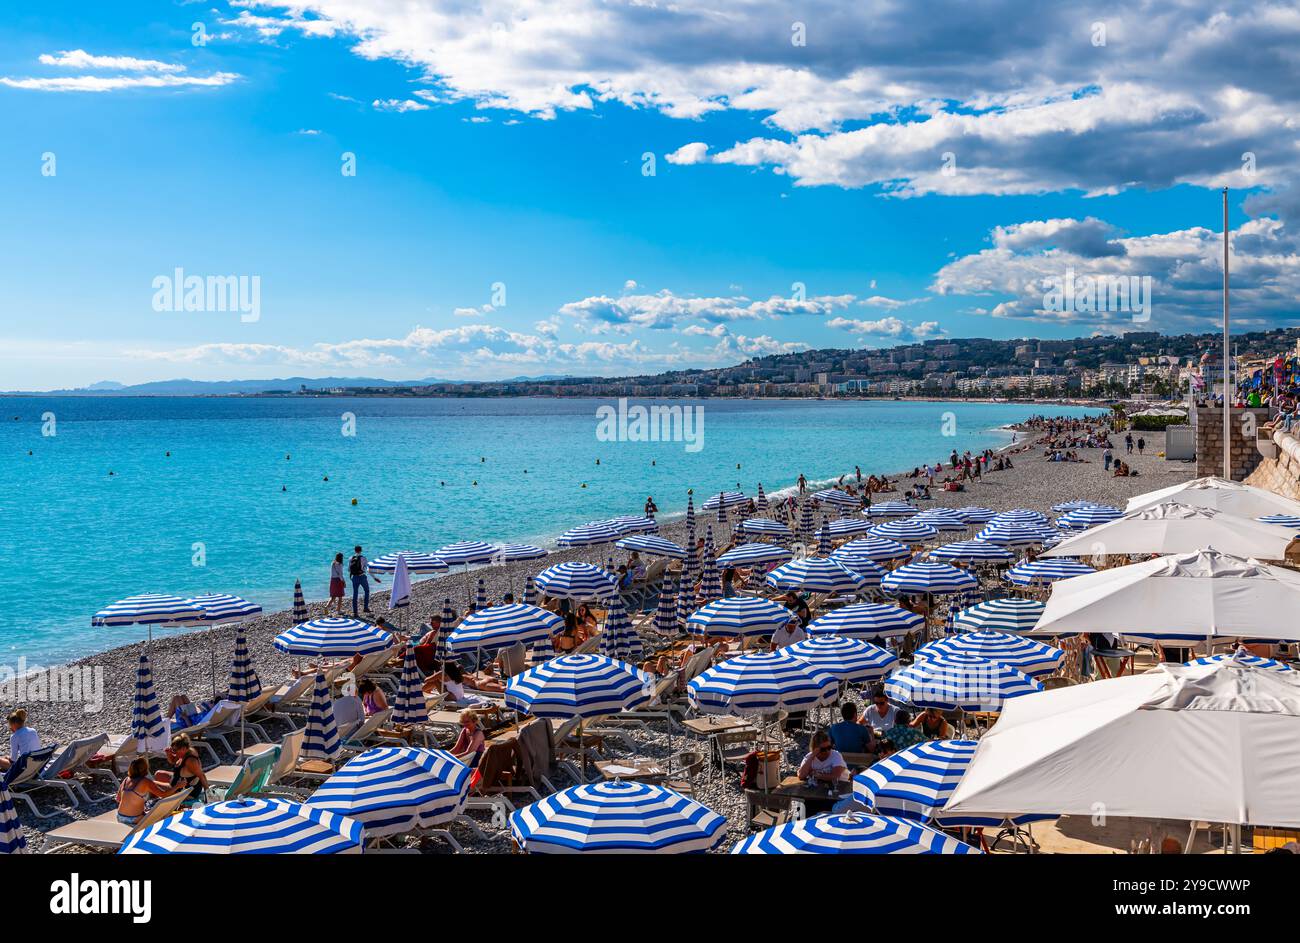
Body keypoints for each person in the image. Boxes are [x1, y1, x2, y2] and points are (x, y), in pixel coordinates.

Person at [115, 757, 171, 826]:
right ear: (145, 768)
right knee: (163, 815)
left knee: (148, 808)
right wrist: (177, 786)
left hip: (120, 817)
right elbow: (164, 794)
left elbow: (118, 799)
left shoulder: (126, 779)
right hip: (135, 819)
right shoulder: (145, 781)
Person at [156, 734, 208, 803]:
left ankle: (154, 803)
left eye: (175, 750)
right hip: (178, 782)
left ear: (183, 748)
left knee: (153, 784)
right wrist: (169, 754)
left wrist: (208, 794)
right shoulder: (183, 753)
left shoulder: (191, 761)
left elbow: (202, 776)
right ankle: (160, 797)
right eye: (173, 749)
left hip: (186, 792)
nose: (174, 752)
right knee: (158, 774)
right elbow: (173, 761)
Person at [349, 545, 380, 617]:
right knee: (367, 591)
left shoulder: (351, 558)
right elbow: (368, 570)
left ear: (354, 550)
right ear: (361, 550)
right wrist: (374, 578)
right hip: (362, 577)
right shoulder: (363, 558)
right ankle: (365, 608)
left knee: (355, 593)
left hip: (354, 577)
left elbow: (349, 569)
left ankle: (355, 612)